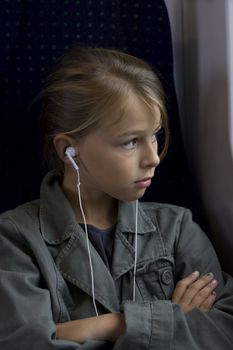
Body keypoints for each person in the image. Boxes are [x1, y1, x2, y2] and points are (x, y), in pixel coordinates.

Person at [0, 46, 233, 350]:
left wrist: (106, 326)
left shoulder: (177, 229)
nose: (153, 158)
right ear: (70, 149)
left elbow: (224, 331)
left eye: (155, 135)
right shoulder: (15, 238)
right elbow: (25, 343)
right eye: (131, 142)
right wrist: (164, 323)